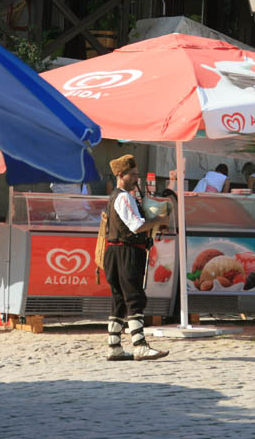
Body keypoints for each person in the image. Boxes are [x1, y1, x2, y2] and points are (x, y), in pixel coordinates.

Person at [104, 154, 170, 361]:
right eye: (133, 175)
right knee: (134, 297)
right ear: (121, 175)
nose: (136, 179)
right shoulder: (124, 197)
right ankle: (139, 345)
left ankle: (114, 347)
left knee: (119, 300)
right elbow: (136, 225)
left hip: (115, 252)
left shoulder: (115, 196)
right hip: (126, 252)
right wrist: (159, 219)